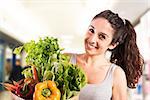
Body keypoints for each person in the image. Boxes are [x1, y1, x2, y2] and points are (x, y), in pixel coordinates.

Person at [67, 10, 144, 100]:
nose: (92, 39)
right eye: (91, 30)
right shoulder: (65, 59)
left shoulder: (116, 74)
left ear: (112, 45)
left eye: (102, 37)